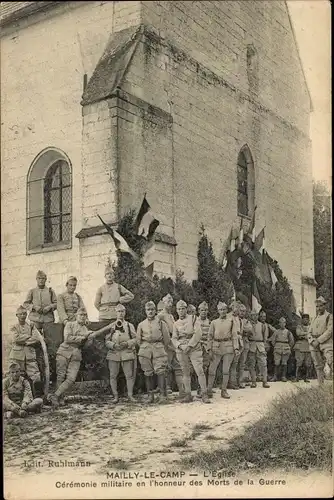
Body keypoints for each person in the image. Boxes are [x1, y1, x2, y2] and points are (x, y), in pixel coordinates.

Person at [49, 308, 108, 407]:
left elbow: (85, 347)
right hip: (64, 351)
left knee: (71, 379)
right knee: (60, 376)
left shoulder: (85, 329)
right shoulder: (69, 324)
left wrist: (90, 340)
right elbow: (67, 338)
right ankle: (60, 398)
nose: (83, 316)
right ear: (76, 316)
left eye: (85, 315)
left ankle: (55, 396)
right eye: (81, 314)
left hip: (76, 354)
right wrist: (83, 337)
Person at [172, 300, 210, 404]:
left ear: (186, 309)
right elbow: (174, 338)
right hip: (181, 349)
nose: (181, 311)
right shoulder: (175, 323)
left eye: (183, 308)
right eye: (179, 309)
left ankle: (204, 393)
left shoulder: (193, 319)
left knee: (199, 371)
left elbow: (198, 333)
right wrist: (179, 346)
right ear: (176, 310)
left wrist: (190, 345)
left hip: (193, 348)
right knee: (185, 372)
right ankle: (188, 395)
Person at [137, 301, 170, 404]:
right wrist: (145, 347)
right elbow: (138, 340)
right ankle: (150, 396)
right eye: (148, 310)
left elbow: (167, 339)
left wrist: (159, 347)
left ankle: (162, 396)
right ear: (145, 311)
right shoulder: (141, 324)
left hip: (158, 348)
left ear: (155, 311)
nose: (150, 312)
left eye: (152, 310)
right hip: (145, 349)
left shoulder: (161, 323)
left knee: (160, 372)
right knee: (148, 373)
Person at [105, 304, 137, 403]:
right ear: (116, 313)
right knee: (113, 375)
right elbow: (106, 341)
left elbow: (136, 339)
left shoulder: (129, 325)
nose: (121, 313)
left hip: (126, 352)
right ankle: (115, 396)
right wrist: (113, 345)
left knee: (129, 375)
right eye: (119, 311)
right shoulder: (111, 326)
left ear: (125, 312)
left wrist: (127, 343)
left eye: (122, 311)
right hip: (114, 353)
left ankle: (130, 395)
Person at [207, 302, 239, 399]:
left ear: (227, 310)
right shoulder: (214, 322)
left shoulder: (231, 321)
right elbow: (210, 336)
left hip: (228, 347)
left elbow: (234, 335)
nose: (222, 311)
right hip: (216, 347)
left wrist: (236, 348)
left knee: (226, 370)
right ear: (218, 311)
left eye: (224, 309)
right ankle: (209, 390)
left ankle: (224, 390)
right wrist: (209, 348)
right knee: (212, 370)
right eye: (220, 310)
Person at [9, 306, 43, 397]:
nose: (23, 316)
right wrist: (28, 337)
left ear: (27, 314)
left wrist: (24, 340)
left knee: (36, 376)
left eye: (24, 314)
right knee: (18, 377)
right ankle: (20, 398)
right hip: (17, 356)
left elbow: (37, 339)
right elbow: (15, 339)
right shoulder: (14, 327)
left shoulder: (31, 326)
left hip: (30, 355)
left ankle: (37, 398)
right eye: (20, 314)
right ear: (17, 315)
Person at [157, 294, 184, 398]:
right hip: (166, 344)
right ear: (163, 303)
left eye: (171, 302)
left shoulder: (171, 316)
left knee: (177, 366)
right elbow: (157, 329)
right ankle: (166, 388)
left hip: (173, 343)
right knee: (166, 366)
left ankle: (181, 388)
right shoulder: (161, 315)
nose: (170, 304)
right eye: (168, 302)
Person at [308, 296, 333, 384]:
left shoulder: (329, 316)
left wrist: (318, 340)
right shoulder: (314, 318)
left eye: (321, 306)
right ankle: (320, 385)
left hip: (326, 342)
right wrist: (311, 341)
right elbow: (309, 332)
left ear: (325, 305)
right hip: (314, 343)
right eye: (317, 306)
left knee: (330, 361)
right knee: (318, 365)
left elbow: (329, 331)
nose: (319, 308)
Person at [229, 303, 253, 389]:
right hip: (235, 343)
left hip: (244, 343)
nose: (242, 313)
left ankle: (240, 381)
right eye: (241, 311)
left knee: (242, 364)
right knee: (234, 363)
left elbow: (249, 329)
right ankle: (232, 382)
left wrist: (244, 330)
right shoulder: (234, 319)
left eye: (244, 311)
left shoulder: (246, 321)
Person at [247, 310, 270, 388]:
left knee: (263, 364)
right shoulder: (247, 324)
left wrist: (265, 346)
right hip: (251, 345)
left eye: (256, 315)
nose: (255, 317)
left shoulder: (262, 325)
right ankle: (253, 381)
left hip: (260, 345)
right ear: (251, 316)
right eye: (253, 315)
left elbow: (265, 337)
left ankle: (265, 381)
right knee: (251, 364)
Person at [268, 317, 294, 382]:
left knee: (284, 363)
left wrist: (288, 347)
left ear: (285, 323)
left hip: (286, 348)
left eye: (283, 323)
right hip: (278, 348)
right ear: (279, 324)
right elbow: (273, 340)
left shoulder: (288, 332)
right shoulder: (276, 332)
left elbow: (291, 341)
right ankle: (275, 376)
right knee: (276, 362)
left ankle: (283, 376)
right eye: (281, 323)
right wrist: (276, 346)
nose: (282, 324)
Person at [197, 301, 211, 395]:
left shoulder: (209, 322)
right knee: (198, 368)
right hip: (197, 346)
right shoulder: (195, 321)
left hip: (206, 346)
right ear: (199, 311)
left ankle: (205, 388)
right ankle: (199, 388)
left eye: (205, 310)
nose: (204, 312)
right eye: (202, 310)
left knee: (205, 367)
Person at [294, 313, 312, 382]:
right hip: (300, 346)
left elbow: (312, 334)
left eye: (307, 319)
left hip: (308, 346)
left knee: (307, 364)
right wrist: (307, 334)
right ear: (302, 320)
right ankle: (297, 377)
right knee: (299, 362)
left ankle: (306, 377)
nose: (305, 321)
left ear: (308, 320)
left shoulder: (311, 327)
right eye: (304, 319)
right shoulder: (299, 326)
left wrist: (304, 335)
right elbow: (298, 333)